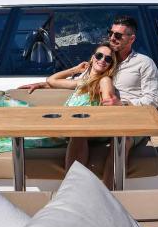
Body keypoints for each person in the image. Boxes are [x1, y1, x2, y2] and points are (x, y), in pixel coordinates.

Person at [19, 15, 158, 186]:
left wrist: (122, 104)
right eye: (111, 33)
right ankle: (71, 189)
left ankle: (108, 196)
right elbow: (83, 84)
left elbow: (151, 101)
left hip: (130, 120)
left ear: (132, 39)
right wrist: (43, 85)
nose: (112, 37)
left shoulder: (144, 63)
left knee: (124, 138)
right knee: (78, 133)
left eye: (118, 35)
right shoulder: (104, 59)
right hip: (101, 120)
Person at [46, 42, 118, 170]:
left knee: (77, 132)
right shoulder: (82, 81)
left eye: (108, 59)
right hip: (69, 123)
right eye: (99, 55)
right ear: (92, 58)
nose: (102, 60)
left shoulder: (104, 80)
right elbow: (51, 80)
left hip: (86, 126)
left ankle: (73, 182)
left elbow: (108, 104)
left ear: (110, 65)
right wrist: (75, 70)